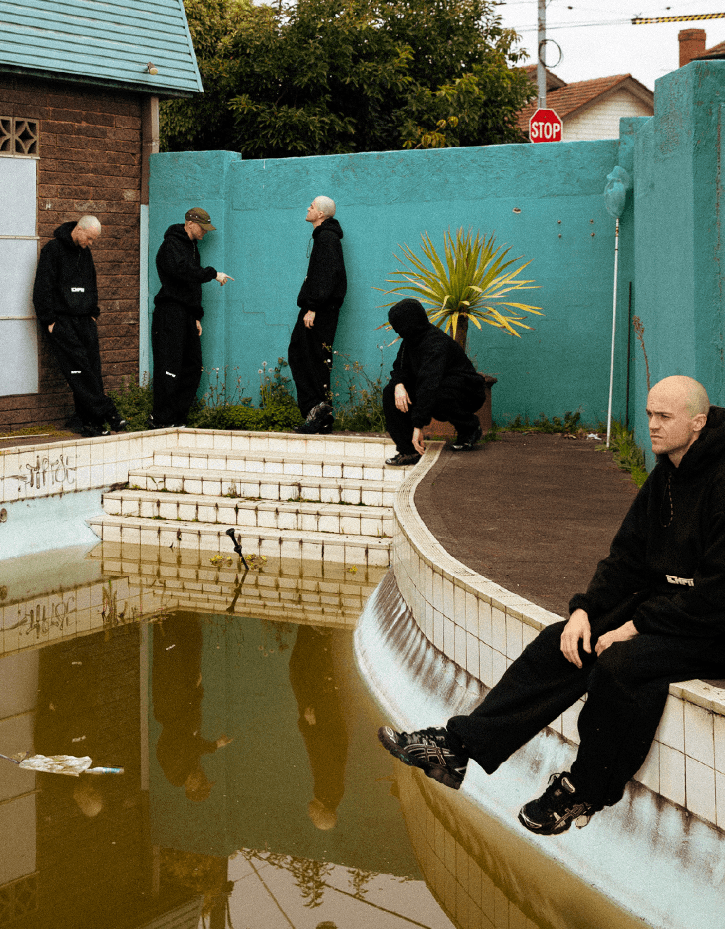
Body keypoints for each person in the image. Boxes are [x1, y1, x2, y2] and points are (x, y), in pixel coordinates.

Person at [379, 376, 725, 836]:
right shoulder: (669, 472)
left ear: (698, 423)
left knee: (621, 664)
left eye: (664, 417)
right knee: (561, 641)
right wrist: (585, 611)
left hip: (715, 624)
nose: (652, 426)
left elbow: (717, 594)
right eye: (649, 415)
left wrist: (636, 626)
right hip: (673, 607)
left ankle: (585, 790)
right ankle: (458, 747)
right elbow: (626, 558)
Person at [32, 215, 125, 437]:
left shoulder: (85, 253)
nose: (90, 243)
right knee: (79, 371)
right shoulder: (53, 250)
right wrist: (49, 321)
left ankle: (92, 424)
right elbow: (42, 286)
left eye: (93, 240)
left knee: (92, 370)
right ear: (79, 229)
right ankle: (109, 412)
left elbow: (92, 284)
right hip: (62, 321)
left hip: (85, 320)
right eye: (89, 238)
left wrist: (93, 313)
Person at [151, 207, 231, 428]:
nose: (205, 232)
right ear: (189, 224)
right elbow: (183, 271)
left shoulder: (192, 247)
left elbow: (192, 285)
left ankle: (177, 417)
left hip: (186, 313)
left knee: (193, 366)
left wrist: (196, 315)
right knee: (169, 366)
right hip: (170, 312)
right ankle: (161, 418)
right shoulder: (171, 246)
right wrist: (212, 274)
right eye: (202, 227)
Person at [382, 298, 486, 466]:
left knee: (439, 393)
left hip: (467, 392)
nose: (397, 332)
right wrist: (399, 385)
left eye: (399, 326)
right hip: (439, 387)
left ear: (409, 323)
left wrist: (418, 426)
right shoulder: (410, 342)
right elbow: (399, 368)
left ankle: (469, 428)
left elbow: (429, 383)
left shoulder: (436, 343)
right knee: (390, 392)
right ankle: (409, 451)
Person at [153, 612, 232, 801]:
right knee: (191, 645)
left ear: (191, 787)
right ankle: (186, 614)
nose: (203, 776)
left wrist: (214, 745)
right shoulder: (190, 765)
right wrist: (197, 691)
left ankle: (168, 616)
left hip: (173, 697)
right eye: (205, 780)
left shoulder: (175, 772)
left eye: (202, 782)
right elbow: (191, 728)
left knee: (173, 648)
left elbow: (186, 743)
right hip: (184, 694)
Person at [288, 195, 347, 434]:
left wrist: (312, 307)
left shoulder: (326, 238)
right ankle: (321, 417)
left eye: (311, 206)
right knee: (312, 358)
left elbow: (326, 275)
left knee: (306, 358)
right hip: (321, 307)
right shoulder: (326, 237)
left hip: (318, 309)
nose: (308, 208)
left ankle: (316, 414)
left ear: (320, 214)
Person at [289, 625, 349, 830]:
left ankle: (317, 633)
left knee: (305, 674)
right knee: (299, 672)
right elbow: (322, 755)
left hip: (327, 725)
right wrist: (313, 724)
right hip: (320, 723)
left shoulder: (333, 793)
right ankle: (315, 631)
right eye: (313, 818)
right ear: (320, 813)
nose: (309, 814)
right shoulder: (326, 791)